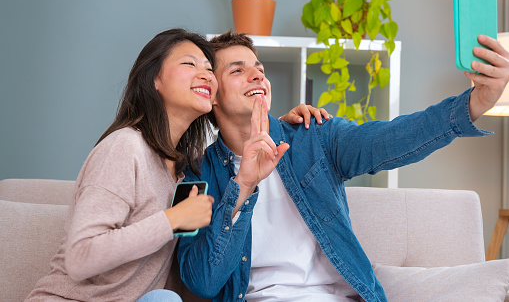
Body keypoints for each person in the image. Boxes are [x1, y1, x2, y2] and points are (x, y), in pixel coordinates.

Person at [177, 31, 509, 301]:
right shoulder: (196, 174)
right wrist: (243, 186)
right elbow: (202, 282)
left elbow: (389, 140)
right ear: (213, 96)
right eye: (237, 70)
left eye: (259, 68)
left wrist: (473, 104)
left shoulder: (314, 136)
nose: (257, 75)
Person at [24, 28, 328, 302]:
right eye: (190, 64)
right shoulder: (125, 147)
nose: (206, 75)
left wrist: (282, 129)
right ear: (154, 78)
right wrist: (173, 220)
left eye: (209, 69)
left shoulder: (190, 168)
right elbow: (80, 258)